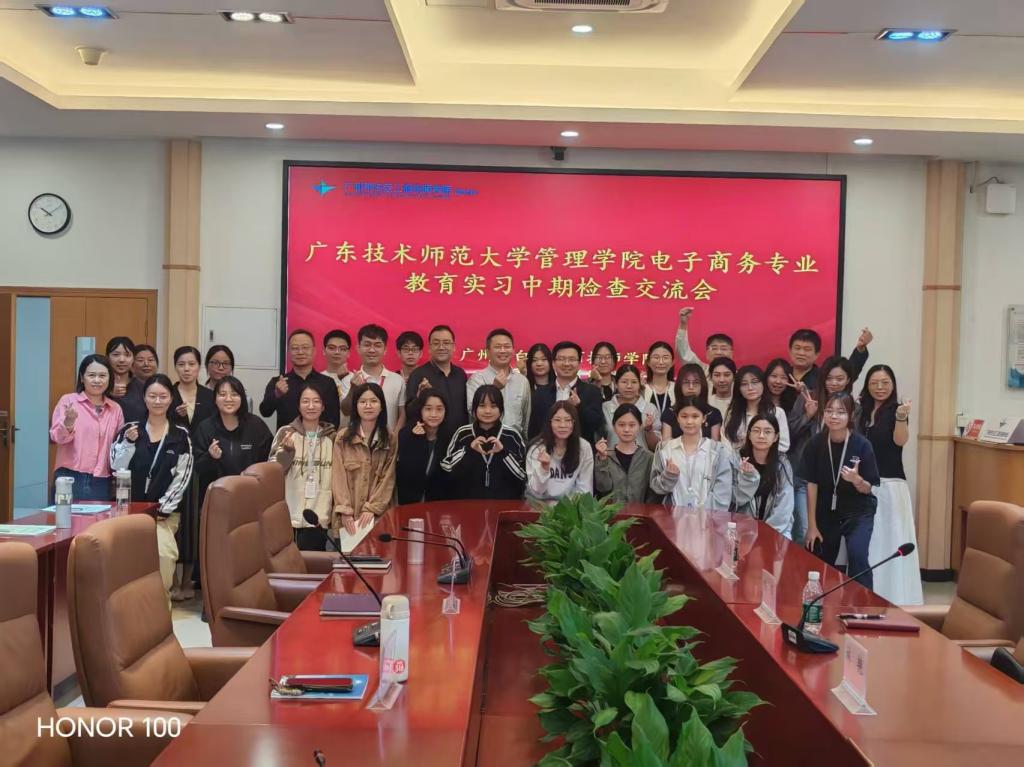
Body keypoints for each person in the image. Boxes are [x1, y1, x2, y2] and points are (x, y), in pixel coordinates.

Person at [110, 375, 193, 594]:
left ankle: (159, 604)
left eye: (163, 396)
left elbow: (183, 477)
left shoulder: (180, 435)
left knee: (164, 554)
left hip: (163, 514)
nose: (157, 401)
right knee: (126, 560)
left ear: (171, 399)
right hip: (128, 511)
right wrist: (128, 443)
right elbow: (116, 466)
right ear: (144, 398)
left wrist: (162, 509)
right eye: (152, 396)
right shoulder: (129, 429)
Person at [857, 365, 923, 604]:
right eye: (874, 383)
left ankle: (896, 597)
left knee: (891, 540)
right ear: (867, 386)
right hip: (863, 484)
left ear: (893, 385)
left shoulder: (897, 410)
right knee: (869, 543)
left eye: (885, 382)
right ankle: (868, 596)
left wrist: (902, 417)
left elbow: (900, 440)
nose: (880, 387)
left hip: (891, 486)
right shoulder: (861, 411)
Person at [802, 392, 880, 588]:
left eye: (841, 412)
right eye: (829, 411)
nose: (834, 416)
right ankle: (818, 602)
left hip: (858, 510)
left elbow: (868, 488)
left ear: (851, 415)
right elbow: (811, 484)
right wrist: (812, 526)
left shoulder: (862, 445)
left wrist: (856, 480)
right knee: (817, 554)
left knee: (857, 555)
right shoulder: (815, 443)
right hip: (826, 509)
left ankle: (864, 603)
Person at [789, 355, 858, 545]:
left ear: (848, 380)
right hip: (806, 478)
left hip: (835, 482)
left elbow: (856, 442)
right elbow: (789, 434)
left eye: (839, 378)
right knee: (805, 531)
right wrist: (807, 415)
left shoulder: (854, 407)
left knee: (828, 536)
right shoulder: (808, 397)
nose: (834, 383)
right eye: (829, 378)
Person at [169, 346, 215, 601]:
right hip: (174, 466)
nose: (187, 369)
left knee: (193, 523)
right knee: (174, 521)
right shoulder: (168, 393)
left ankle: (188, 580)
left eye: (192, 364)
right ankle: (173, 581)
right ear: (175, 367)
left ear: (199, 367)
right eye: (181, 364)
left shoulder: (209, 395)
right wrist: (174, 415)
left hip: (201, 467)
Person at [269, 384, 337, 550]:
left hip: (318, 515)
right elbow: (272, 473)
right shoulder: (286, 432)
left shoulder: (333, 437)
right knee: (287, 561)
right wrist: (287, 452)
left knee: (314, 561)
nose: (311, 406)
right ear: (298, 406)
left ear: (323, 406)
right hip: (289, 513)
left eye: (316, 401)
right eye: (305, 401)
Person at [49, 354, 124, 501]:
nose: (97, 380)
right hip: (70, 476)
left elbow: (118, 447)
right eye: (91, 375)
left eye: (102, 375)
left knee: (100, 516)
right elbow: (57, 437)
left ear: (109, 379)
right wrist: (69, 422)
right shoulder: (68, 401)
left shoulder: (115, 408)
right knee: (65, 516)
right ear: (82, 378)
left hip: (102, 480)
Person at [650, 396, 743, 510]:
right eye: (684, 416)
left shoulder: (717, 451)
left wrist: (705, 517)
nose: (689, 421)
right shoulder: (665, 449)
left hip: (709, 518)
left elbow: (723, 493)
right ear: (677, 418)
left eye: (695, 416)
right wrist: (668, 477)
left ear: (704, 418)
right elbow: (656, 488)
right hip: (672, 517)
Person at [192, 376, 273, 507]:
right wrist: (210, 457)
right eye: (222, 394)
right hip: (216, 500)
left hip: (251, 497)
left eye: (234, 394)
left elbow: (269, 461)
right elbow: (197, 468)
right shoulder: (205, 428)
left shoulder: (256, 426)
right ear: (215, 399)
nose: (228, 399)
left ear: (242, 398)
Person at [333, 383, 398, 537]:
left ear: (381, 406)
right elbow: (338, 476)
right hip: (348, 517)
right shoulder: (342, 437)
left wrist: (372, 507)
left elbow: (389, 477)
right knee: (348, 552)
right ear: (355, 406)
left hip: (378, 515)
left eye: (374, 401)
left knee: (380, 551)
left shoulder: (390, 438)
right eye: (362, 401)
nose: (368, 406)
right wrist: (345, 509)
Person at [442, 384, 527, 500]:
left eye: (493, 406)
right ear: (475, 408)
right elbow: (447, 469)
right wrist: (468, 451)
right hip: (466, 502)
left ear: (501, 409)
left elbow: (522, 476)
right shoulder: (462, 433)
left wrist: (503, 453)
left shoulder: (512, 436)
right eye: (482, 406)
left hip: (504, 503)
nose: (487, 411)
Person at [261, 328, 341, 430]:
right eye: (295, 348)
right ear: (289, 352)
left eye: (305, 347)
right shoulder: (278, 382)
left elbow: (334, 421)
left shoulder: (327, 383)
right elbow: (265, 412)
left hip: (319, 438)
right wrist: (276, 394)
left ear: (314, 351)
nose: (300, 352)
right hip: (287, 438)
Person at [530, 341, 605, 445]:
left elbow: (596, 425)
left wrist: (579, 406)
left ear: (579, 364)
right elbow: (534, 430)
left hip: (580, 451)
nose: (566, 363)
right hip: (546, 450)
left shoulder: (592, 391)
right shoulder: (540, 394)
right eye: (561, 359)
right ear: (553, 364)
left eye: (571, 359)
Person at [733, 414, 795, 538]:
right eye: (756, 431)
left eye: (767, 432)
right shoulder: (736, 459)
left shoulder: (782, 464)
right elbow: (736, 501)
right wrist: (748, 478)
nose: (761, 436)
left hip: (776, 529)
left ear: (775, 437)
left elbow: (785, 506)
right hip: (743, 529)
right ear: (749, 435)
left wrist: (766, 533)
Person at [340, 324, 406, 432]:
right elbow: (345, 411)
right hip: (357, 440)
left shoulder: (397, 380)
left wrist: (395, 437)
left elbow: (402, 413)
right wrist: (353, 389)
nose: (372, 350)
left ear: (385, 349)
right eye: (367, 345)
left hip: (388, 440)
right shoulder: (349, 379)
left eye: (377, 345)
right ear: (358, 348)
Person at [466, 329, 530, 438]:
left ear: (513, 350)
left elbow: (526, 418)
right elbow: (473, 412)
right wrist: (494, 389)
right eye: (498, 347)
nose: (503, 350)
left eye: (507, 346)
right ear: (487, 352)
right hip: (485, 441)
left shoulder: (522, 381)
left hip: (514, 441)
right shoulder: (477, 379)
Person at [404, 324, 468, 433]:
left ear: (453, 347)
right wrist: (420, 397)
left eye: (446, 343)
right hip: (431, 438)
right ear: (429, 347)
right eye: (436, 343)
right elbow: (409, 413)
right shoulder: (418, 375)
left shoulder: (460, 374)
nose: (441, 347)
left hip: (460, 437)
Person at [526, 402, 594, 502]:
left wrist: (573, 509)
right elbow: (535, 491)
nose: (562, 425)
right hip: (541, 505)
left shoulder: (584, 447)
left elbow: (585, 489)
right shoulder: (537, 449)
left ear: (574, 423)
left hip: (571, 507)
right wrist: (544, 469)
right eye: (557, 420)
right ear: (550, 423)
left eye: (568, 420)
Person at [397, 390, 452, 504]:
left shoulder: (451, 437)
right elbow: (404, 473)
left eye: (439, 409)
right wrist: (415, 441)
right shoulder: (406, 434)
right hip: (410, 503)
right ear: (420, 410)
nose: (433, 414)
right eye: (428, 409)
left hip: (439, 503)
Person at [594, 403, 654, 504]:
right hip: (612, 512)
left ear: (640, 426)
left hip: (641, 512)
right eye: (621, 425)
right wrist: (602, 461)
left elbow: (652, 494)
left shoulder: (648, 458)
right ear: (614, 427)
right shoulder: (604, 456)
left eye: (632, 425)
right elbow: (603, 489)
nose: (626, 429)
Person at [721, 365, 790, 453]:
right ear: (738, 389)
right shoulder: (732, 414)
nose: (750, 388)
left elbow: (783, 445)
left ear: (763, 384)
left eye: (755, 382)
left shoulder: (776, 412)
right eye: (744, 384)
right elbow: (725, 443)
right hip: (735, 460)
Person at [788, 327, 872, 393]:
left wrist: (860, 349)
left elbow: (850, 371)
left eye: (807, 349)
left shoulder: (824, 376)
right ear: (790, 351)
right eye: (797, 348)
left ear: (817, 354)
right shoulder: (783, 374)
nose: (801, 353)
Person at [601, 364, 660, 450]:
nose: (629, 386)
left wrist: (649, 430)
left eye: (634, 382)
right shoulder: (605, 407)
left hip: (642, 458)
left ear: (639, 384)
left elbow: (656, 447)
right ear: (616, 384)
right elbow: (598, 439)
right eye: (624, 382)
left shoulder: (650, 409)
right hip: (611, 457)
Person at [661, 363, 722, 442]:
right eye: (686, 382)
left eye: (696, 383)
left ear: (702, 385)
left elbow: (715, 445)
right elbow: (666, 444)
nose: (691, 387)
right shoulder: (669, 413)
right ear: (679, 385)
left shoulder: (713, 413)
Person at [675, 307, 734, 375]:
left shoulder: (739, 376)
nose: (719, 352)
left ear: (731, 354)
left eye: (723, 348)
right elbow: (684, 354)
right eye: (714, 348)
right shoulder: (701, 371)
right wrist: (683, 324)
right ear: (707, 354)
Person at [106, 336, 146, 423]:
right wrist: (107, 392)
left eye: (127, 355)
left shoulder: (142, 387)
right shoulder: (99, 386)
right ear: (107, 357)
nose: (122, 360)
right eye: (116, 355)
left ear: (133, 359)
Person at [643, 341, 676, 417]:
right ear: (648, 362)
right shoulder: (642, 389)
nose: (661, 362)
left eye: (665, 358)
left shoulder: (677, 389)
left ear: (672, 362)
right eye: (656, 357)